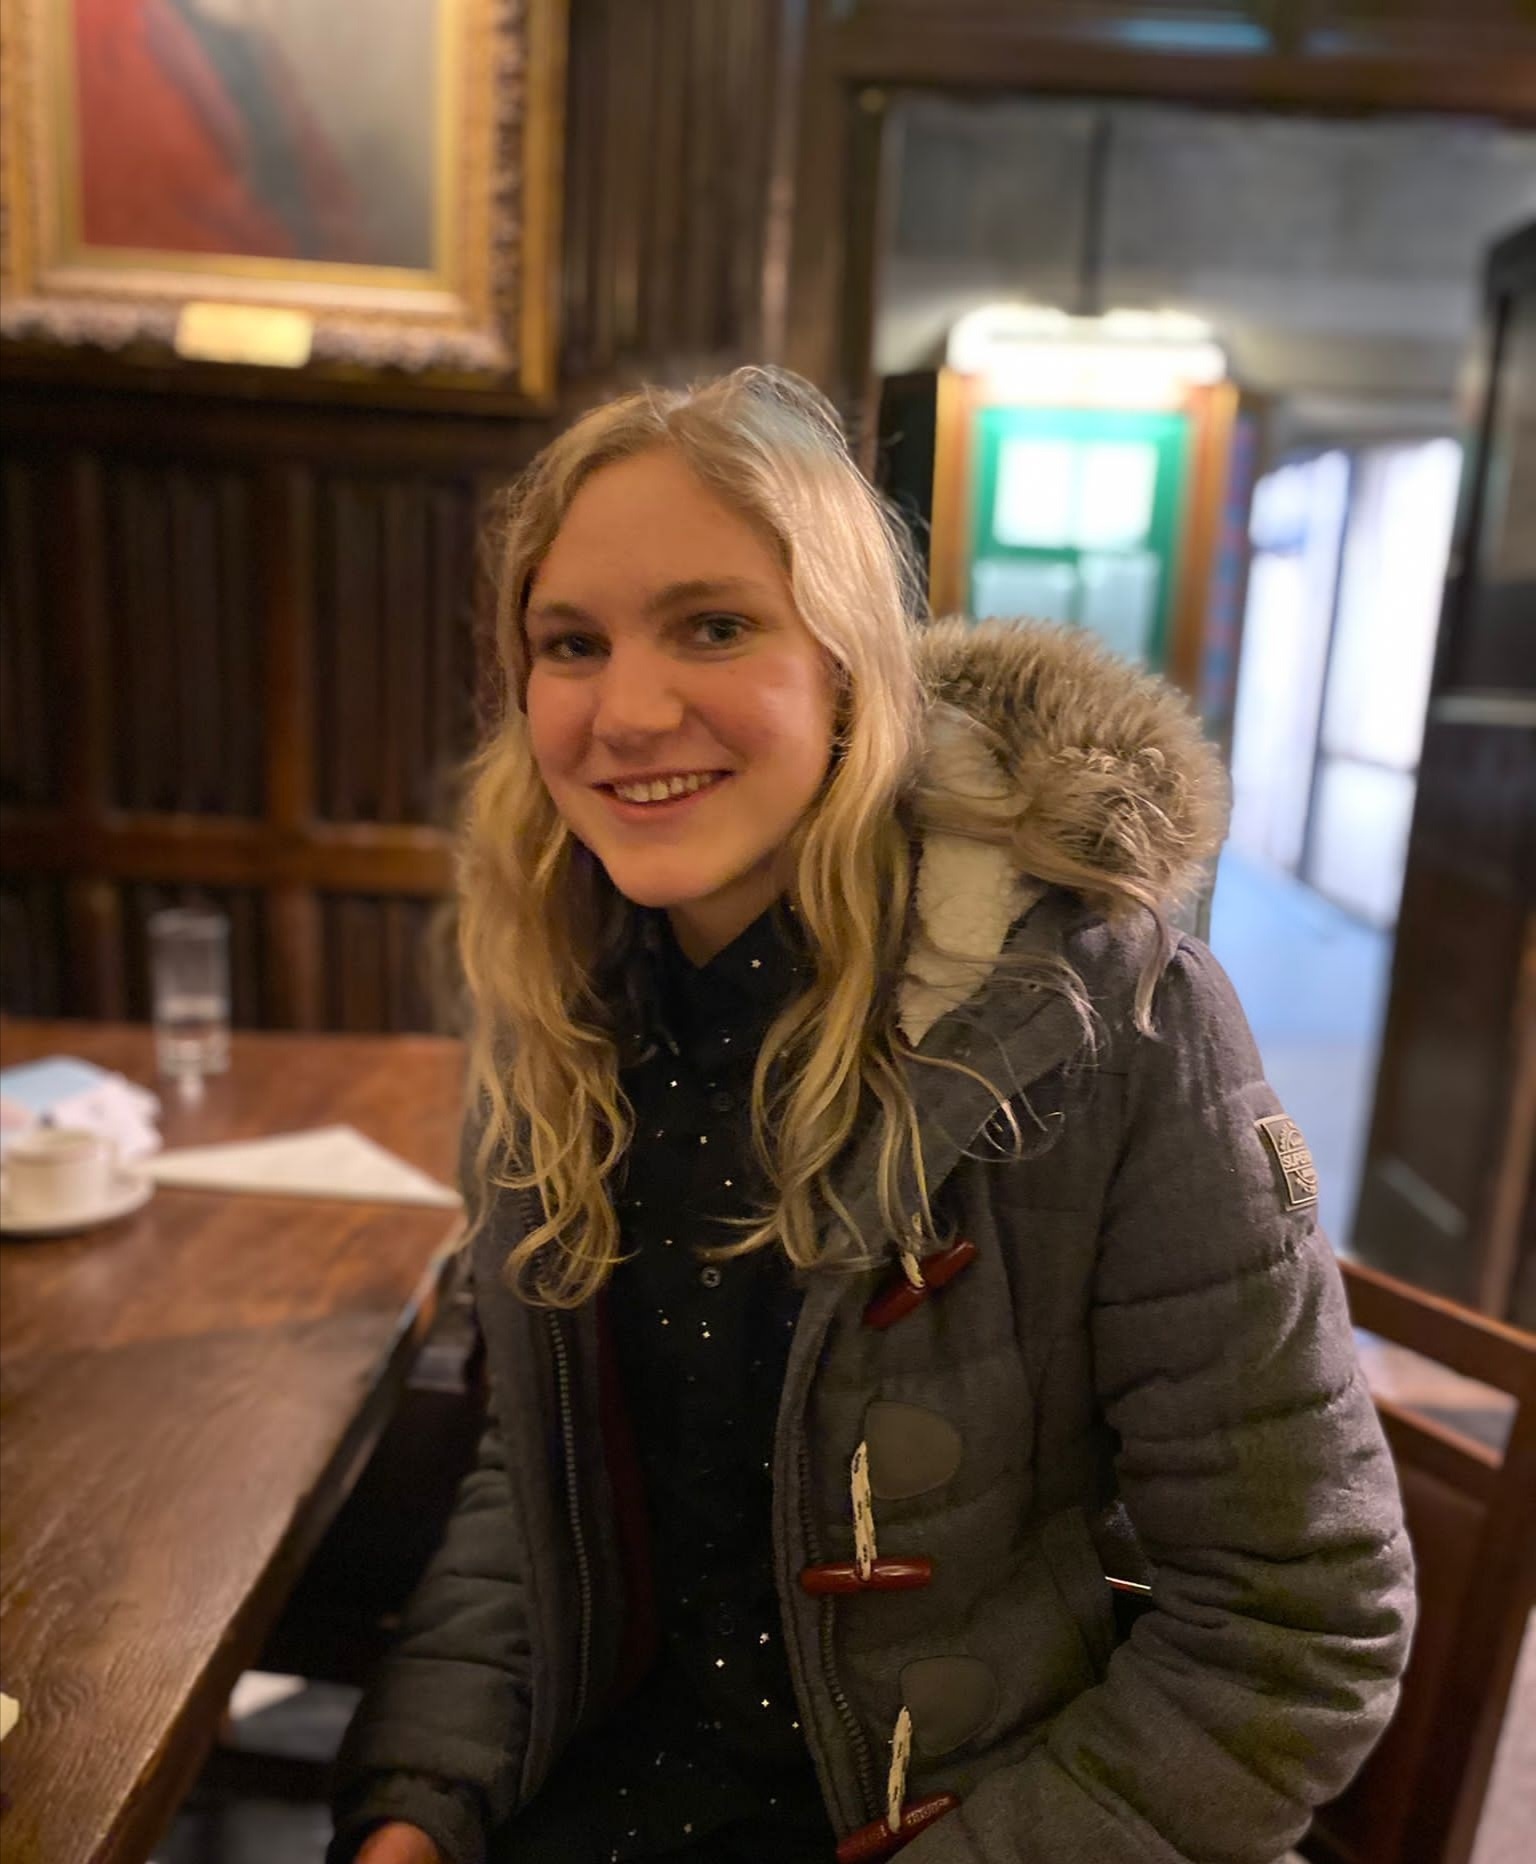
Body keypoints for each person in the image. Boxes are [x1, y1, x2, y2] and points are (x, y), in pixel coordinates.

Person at [329, 367, 1414, 1864]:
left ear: (853, 668)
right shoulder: (562, 1010)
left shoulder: (1107, 1015)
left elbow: (1299, 1634)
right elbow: (542, 1494)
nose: (629, 710)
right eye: (569, 644)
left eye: (716, 626)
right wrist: (416, 1808)